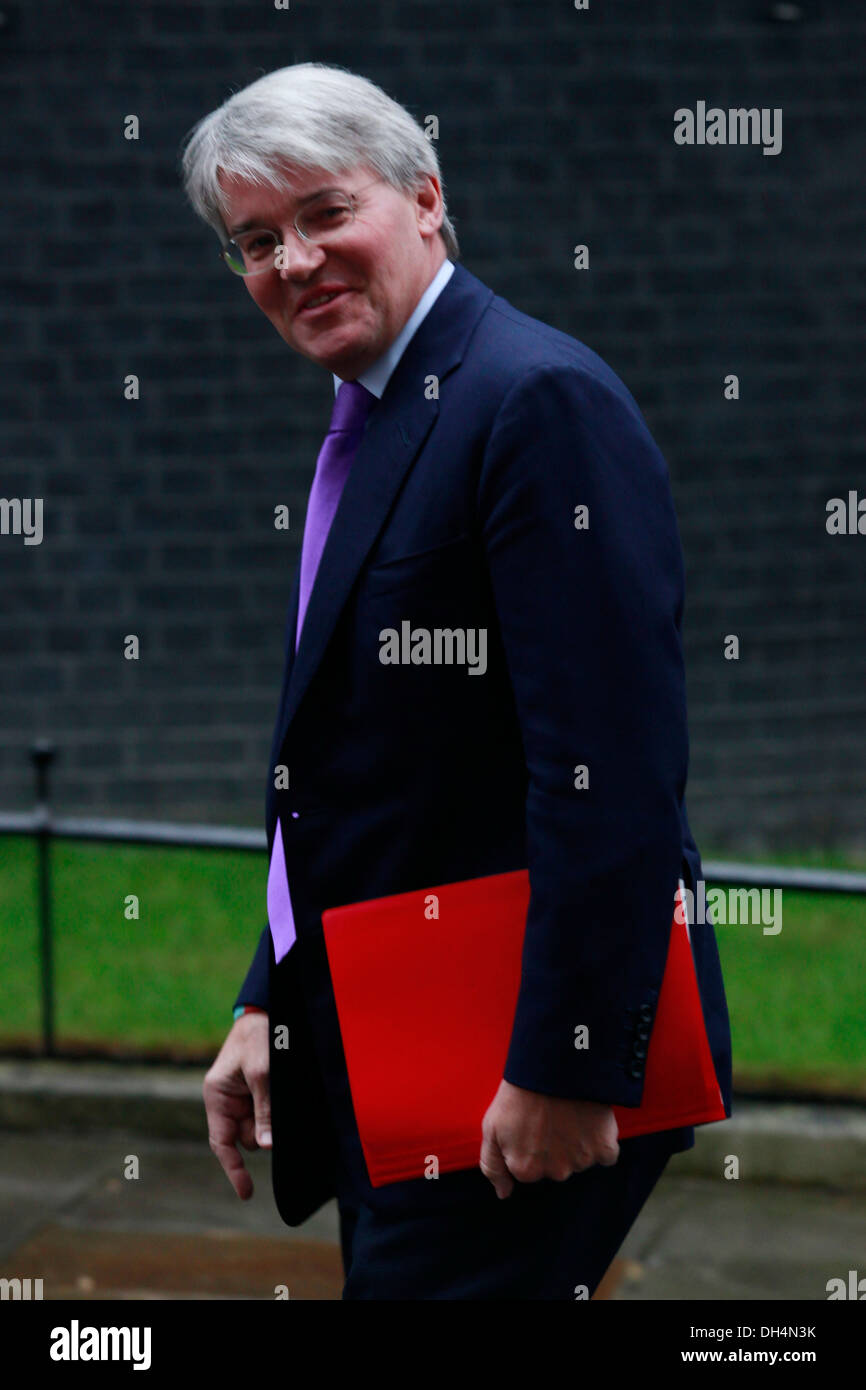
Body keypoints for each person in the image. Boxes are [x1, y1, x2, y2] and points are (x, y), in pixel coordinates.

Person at [181, 61, 732, 1301]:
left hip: (511, 1069)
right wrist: (269, 998)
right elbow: (350, 764)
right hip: (394, 1033)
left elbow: (612, 770)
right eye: (255, 240)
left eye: (327, 213)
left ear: (425, 198)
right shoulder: (379, 414)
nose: (293, 261)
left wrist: (572, 1064)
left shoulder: (532, 402)